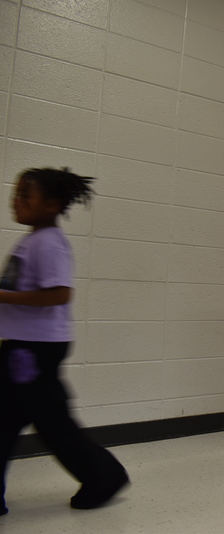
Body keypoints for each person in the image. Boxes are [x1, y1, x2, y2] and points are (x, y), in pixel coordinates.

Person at [0, 168, 129, 515]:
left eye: (26, 196)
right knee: (13, 419)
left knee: (51, 424)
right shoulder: (32, 239)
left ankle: (104, 476)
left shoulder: (48, 242)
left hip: (33, 350)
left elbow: (60, 294)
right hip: (22, 347)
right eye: (16, 194)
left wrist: (3, 297)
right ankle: (105, 475)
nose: (17, 201)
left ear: (52, 203)